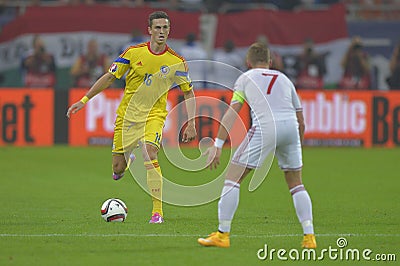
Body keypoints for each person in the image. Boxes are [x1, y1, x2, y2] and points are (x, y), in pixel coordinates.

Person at [67, 11, 197, 224]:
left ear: (169, 30)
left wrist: (191, 122)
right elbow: (110, 77)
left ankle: (157, 213)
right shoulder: (133, 53)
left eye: (165, 28)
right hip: (128, 116)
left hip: (154, 115)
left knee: (150, 151)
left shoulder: (177, 61)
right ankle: (127, 162)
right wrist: (83, 100)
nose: (161, 31)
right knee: (117, 170)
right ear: (150, 30)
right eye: (157, 28)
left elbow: (188, 92)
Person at [198, 42, 316, 248]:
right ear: (270, 62)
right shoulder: (285, 79)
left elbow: (232, 112)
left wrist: (217, 144)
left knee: (232, 179)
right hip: (290, 128)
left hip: (266, 127)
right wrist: (297, 144)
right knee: (296, 183)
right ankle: (309, 236)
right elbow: (302, 121)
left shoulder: (245, 78)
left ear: (248, 62)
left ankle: (222, 234)